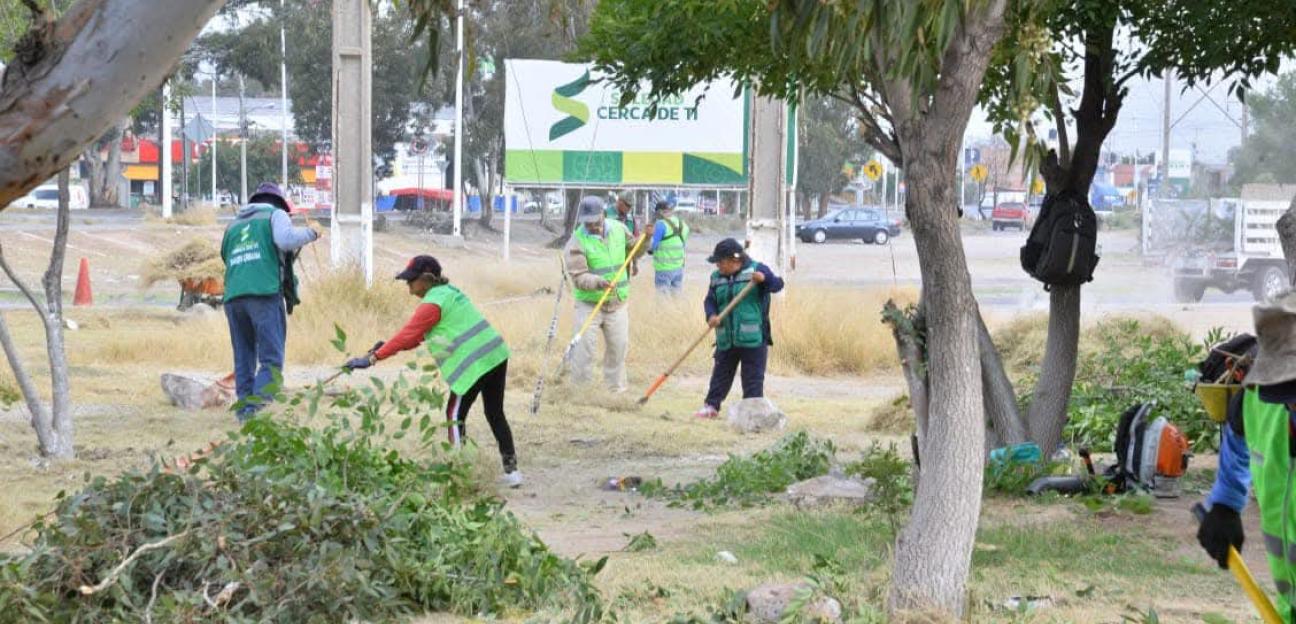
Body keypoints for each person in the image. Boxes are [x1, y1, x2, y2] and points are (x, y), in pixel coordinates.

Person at [343, 255, 521, 487]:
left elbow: (408, 335)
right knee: (495, 413)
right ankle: (512, 472)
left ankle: (460, 474)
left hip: (473, 365)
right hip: (495, 355)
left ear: (426, 279)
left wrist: (373, 358)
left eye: (411, 282)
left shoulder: (431, 304)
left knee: (454, 416)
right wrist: (383, 349)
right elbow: (415, 337)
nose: (408, 288)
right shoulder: (450, 292)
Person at [1199, 292, 1296, 618]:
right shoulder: (1257, 401)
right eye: (1285, 390)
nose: (1291, 404)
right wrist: (1226, 501)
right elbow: (1239, 429)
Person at [221, 182, 320, 421]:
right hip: (264, 293)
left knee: (244, 356)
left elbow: (225, 255)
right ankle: (257, 412)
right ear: (279, 203)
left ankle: (244, 412)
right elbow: (285, 240)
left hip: (233, 297)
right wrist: (312, 233)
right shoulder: (275, 214)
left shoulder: (232, 225)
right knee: (271, 359)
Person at [694, 238, 784, 419]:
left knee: (752, 377)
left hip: (754, 338)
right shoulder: (716, 278)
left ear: (735, 260)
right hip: (726, 336)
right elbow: (710, 300)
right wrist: (711, 315)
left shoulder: (757, 269)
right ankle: (711, 407)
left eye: (721, 262)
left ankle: (752, 413)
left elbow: (777, 285)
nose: (718, 265)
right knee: (720, 374)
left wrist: (764, 279)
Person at [566, 196, 639, 392]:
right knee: (583, 349)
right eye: (587, 222)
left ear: (604, 215)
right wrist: (598, 283)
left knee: (618, 347)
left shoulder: (619, 228)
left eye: (595, 222)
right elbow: (579, 277)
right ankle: (580, 392)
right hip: (589, 305)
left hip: (617, 304)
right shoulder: (576, 240)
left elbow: (635, 249)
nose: (591, 226)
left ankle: (615, 390)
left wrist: (646, 240)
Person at [648, 200, 690, 294]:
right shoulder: (682, 224)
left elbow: (652, 247)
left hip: (664, 269)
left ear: (660, 212)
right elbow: (682, 244)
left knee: (662, 300)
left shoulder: (661, 224)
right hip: (679, 268)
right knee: (676, 298)